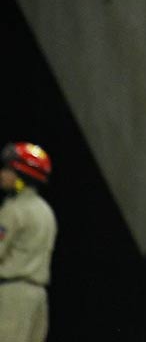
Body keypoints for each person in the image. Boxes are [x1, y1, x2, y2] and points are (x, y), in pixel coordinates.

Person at [0, 143, 55, 342]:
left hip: (13, 296)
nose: (3, 174)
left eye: (8, 169)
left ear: (21, 176)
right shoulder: (46, 212)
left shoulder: (14, 210)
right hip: (39, 300)